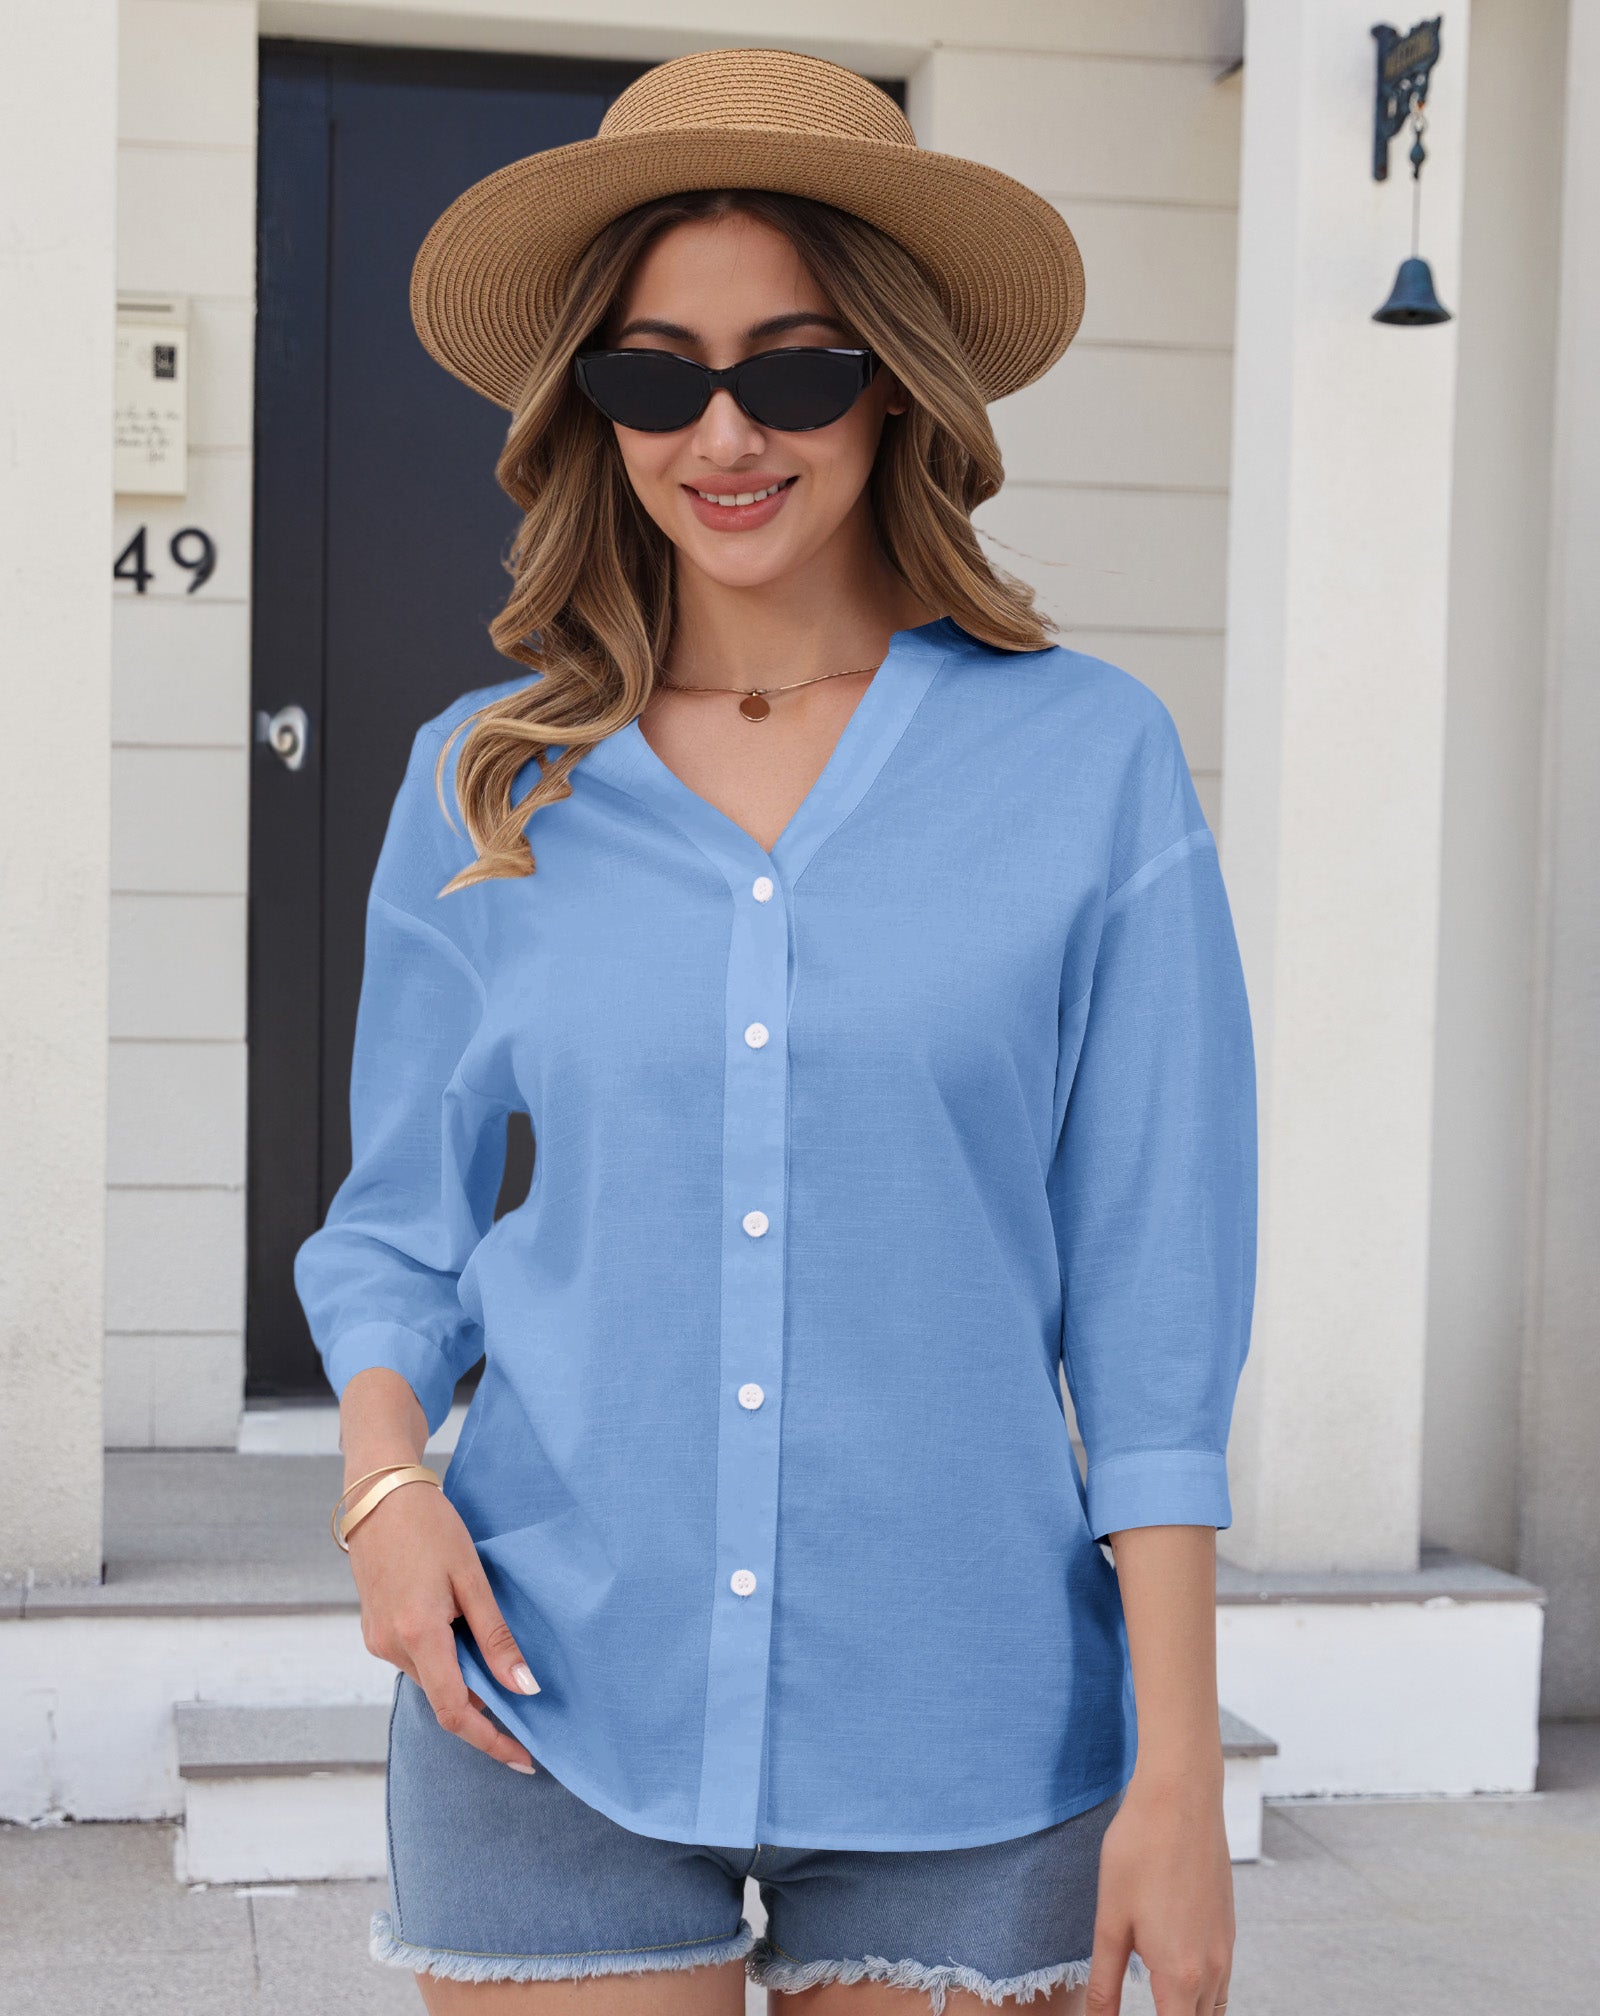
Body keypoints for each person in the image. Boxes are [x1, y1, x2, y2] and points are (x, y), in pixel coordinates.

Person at [295, 45, 1254, 2016]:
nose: (723, 432)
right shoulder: (486, 783)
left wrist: (1178, 1766)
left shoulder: (1090, 764)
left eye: (793, 370)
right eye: (656, 376)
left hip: (972, 1724)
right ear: (594, 409)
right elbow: (396, 1226)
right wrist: (387, 1490)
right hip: (544, 1700)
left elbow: (1151, 1305)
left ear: (894, 381)